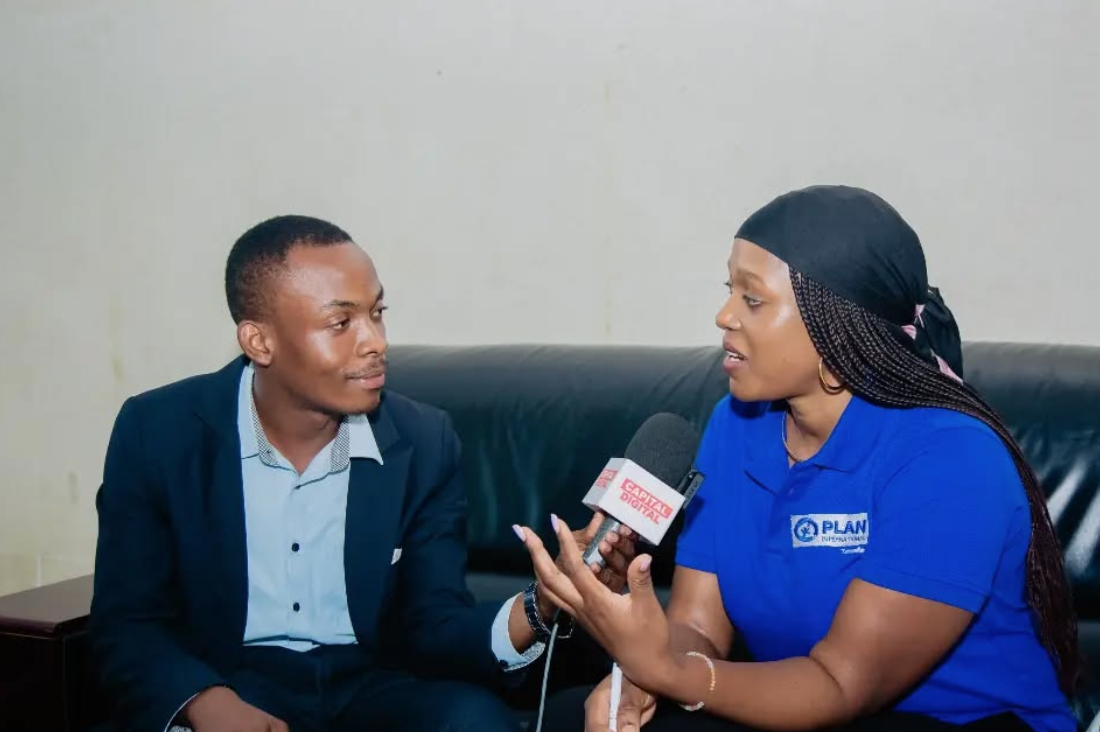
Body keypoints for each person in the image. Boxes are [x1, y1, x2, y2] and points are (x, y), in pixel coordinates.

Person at [516, 186, 1077, 732]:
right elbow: (697, 627)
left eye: (752, 299)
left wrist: (665, 670)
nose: (723, 315)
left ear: (836, 324)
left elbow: (841, 682)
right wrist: (642, 680)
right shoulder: (734, 428)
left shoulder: (952, 458)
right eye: (729, 290)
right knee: (581, 713)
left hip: (956, 720)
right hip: (804, 707)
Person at [89, 215, 636, 732]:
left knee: (471, 721)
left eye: (377, 313)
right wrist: (204, 701)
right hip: (228, 680)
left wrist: (540, 604)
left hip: (372, 683)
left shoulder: (424, 442)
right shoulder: (159, 433)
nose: (376, 342)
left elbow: (435, 624)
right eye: (341, 322)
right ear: (260, 342)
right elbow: (129, 622)